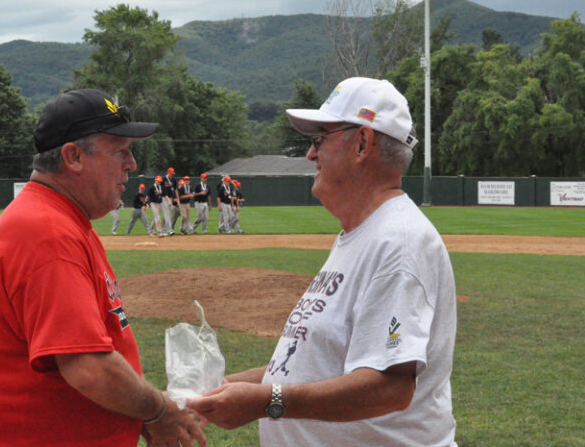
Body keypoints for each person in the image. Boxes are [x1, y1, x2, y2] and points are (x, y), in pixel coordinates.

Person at [187, 77, 457, 446]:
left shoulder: (399, 241)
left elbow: (389, 387)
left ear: (362, 143)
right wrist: (229, 388)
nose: (310, 155)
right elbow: (316, 363)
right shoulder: (362, 233)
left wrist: (267, 401)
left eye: (319, 140)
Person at [0, 88, 205, 447]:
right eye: (120, 151)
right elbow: (89, 369)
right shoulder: (46, 230)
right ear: (73, 156)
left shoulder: (61, 220)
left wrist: (138, 408)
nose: (131, 164)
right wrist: (158, 411)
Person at [163, 167, 180, 234]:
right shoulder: (164, 179)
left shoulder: (173, 179)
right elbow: (162, 190)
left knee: (166, 214)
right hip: (164, 198)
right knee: (167, 214)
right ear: (168, 172)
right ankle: (170, 230)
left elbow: (176, 190)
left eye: (172, 173)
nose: (172, 174)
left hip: (170, 198)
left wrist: (178, 199)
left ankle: (162, 229)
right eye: (171, 173)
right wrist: (167, 200)